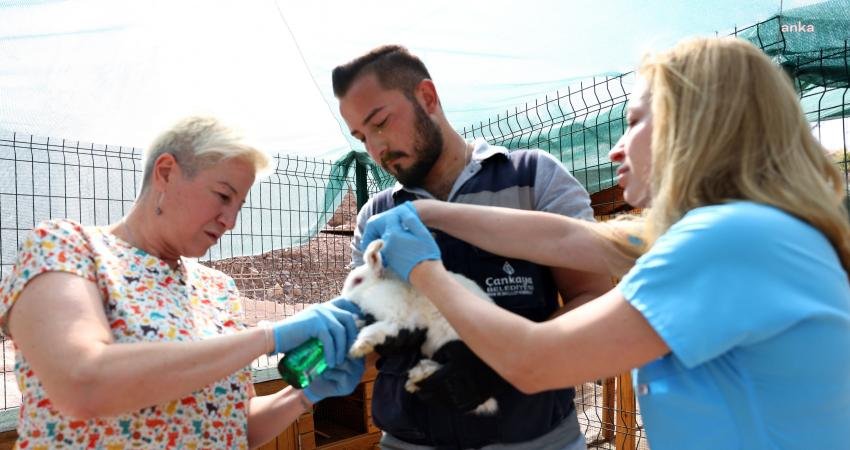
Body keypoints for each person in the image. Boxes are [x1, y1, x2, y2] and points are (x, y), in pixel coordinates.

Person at [361, 37, 850, 450]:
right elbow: (571, 236)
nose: (618, 147)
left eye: (636, 121)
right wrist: (428, 213)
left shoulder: (725, 241)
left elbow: (536, 362)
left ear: (699, 127)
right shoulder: (757, 229)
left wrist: (425, 268)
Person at [0, 116, 365, 449]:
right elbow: (82, 384)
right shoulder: (67, 248)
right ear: (166, 172)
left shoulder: (218, 289)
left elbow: (236, 425)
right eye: (223, 196)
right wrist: (267, 338)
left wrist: (305, 395)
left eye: (238, 206)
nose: (230, 221)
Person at [332, 45, 612, 450]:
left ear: (427, 98)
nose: (375, 150)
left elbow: (595, 298)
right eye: (361, 137)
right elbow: (365, 325)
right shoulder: (377, 213)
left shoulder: (533, 177)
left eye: (380, 124)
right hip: (409, 440)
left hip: (536, 437)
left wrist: (507, 363)